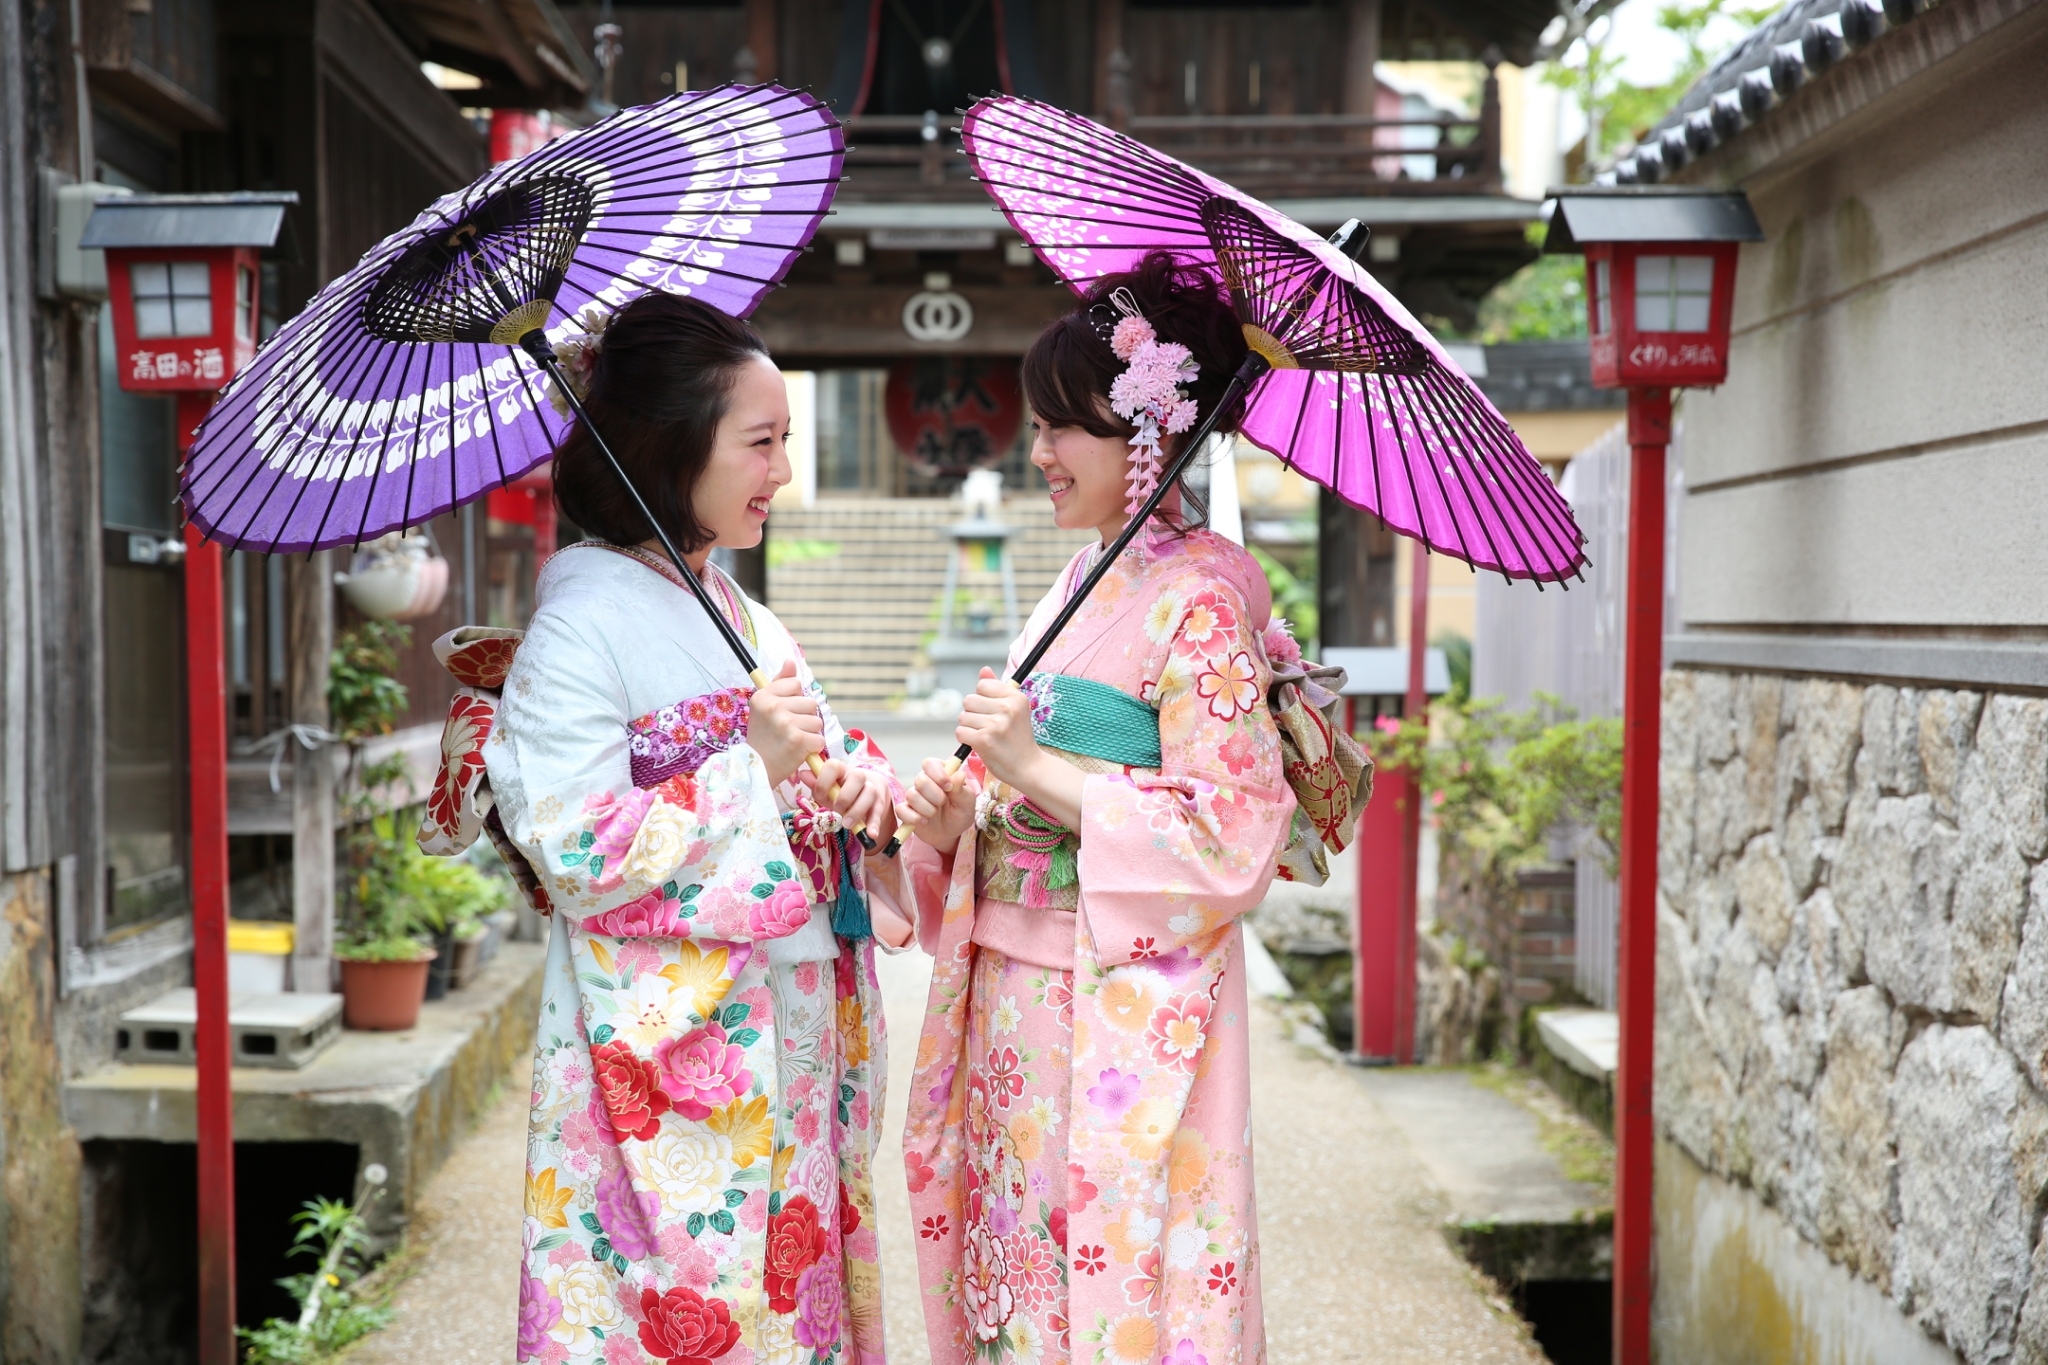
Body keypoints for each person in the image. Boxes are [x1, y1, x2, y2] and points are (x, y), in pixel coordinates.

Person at [478, 293, 915, 1365]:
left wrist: (853, 797)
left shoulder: (743, 614)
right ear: (670, 450)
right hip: (670, 1052)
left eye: (787, 442)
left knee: (789, 1303)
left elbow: (806, 769)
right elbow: (571, 846)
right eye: (760, 444)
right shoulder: (579, 627)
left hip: (793, 1013)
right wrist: (745, 770)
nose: (782, 473)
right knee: (675, 1309)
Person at [897, 254, 1298, 1365]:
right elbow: (1008, 787)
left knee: (1116, 1268)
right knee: (1019, 1261)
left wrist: (1029, 767)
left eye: (1056, 429)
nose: (1034, 455)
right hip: (1017, 998)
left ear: (1147, 436)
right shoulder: (1079, 582)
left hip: (1117, 1003)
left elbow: (1227, 835)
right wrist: (952, 822)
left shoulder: (1200, 604)